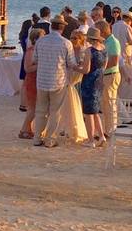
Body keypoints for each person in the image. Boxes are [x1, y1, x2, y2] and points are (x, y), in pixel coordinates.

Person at [32, 16, 78, 148]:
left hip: (41, 80)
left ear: (51, 26)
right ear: (63, 29)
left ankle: (37, 137)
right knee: (55, 111)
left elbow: (35, 59)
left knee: (41, 111)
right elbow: (71, 63)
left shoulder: (41, 41)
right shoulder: (66, 43)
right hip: (58, 81)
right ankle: (50, 139)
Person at [55, 29, 88, 144]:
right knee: (63, 105)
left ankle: (74, 128)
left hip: (77, 81)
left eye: (75, 38)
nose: (72, 40)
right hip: (66, 79)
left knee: (76, 106)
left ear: (81, 39)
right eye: (71, 37)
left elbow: (85, 66)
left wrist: (78, 67)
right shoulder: (68, 49)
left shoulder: (84, 51)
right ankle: (62, 128)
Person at [80, 28, 108, 147]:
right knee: (95, 111)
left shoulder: (89, 51)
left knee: (89, 113)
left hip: (89, 83)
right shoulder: (104, 49)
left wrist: (75, 68)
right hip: (99, 82)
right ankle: (101, 136)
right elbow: (104, 67)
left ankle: (91, 140)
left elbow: (86, 70)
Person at [97, 20, 122, 133]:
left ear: (102, 32)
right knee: (105, 104)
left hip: (110, 75)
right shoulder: (105, 42)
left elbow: (114, 61)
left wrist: (100, 69)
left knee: (110, 104)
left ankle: (111, 130)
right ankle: (107, 129)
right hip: (106, 75)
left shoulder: (113, 42)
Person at [19, 28, 44, 139]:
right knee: (33, 108)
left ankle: (28, 129)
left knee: (34, 108)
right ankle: (24, 129)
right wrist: (42, 64)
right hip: (32, 80)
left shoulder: (37, 50)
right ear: (36, 39)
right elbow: (27, 68)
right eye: (42, 37)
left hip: (37, 80)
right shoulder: (31, 51)